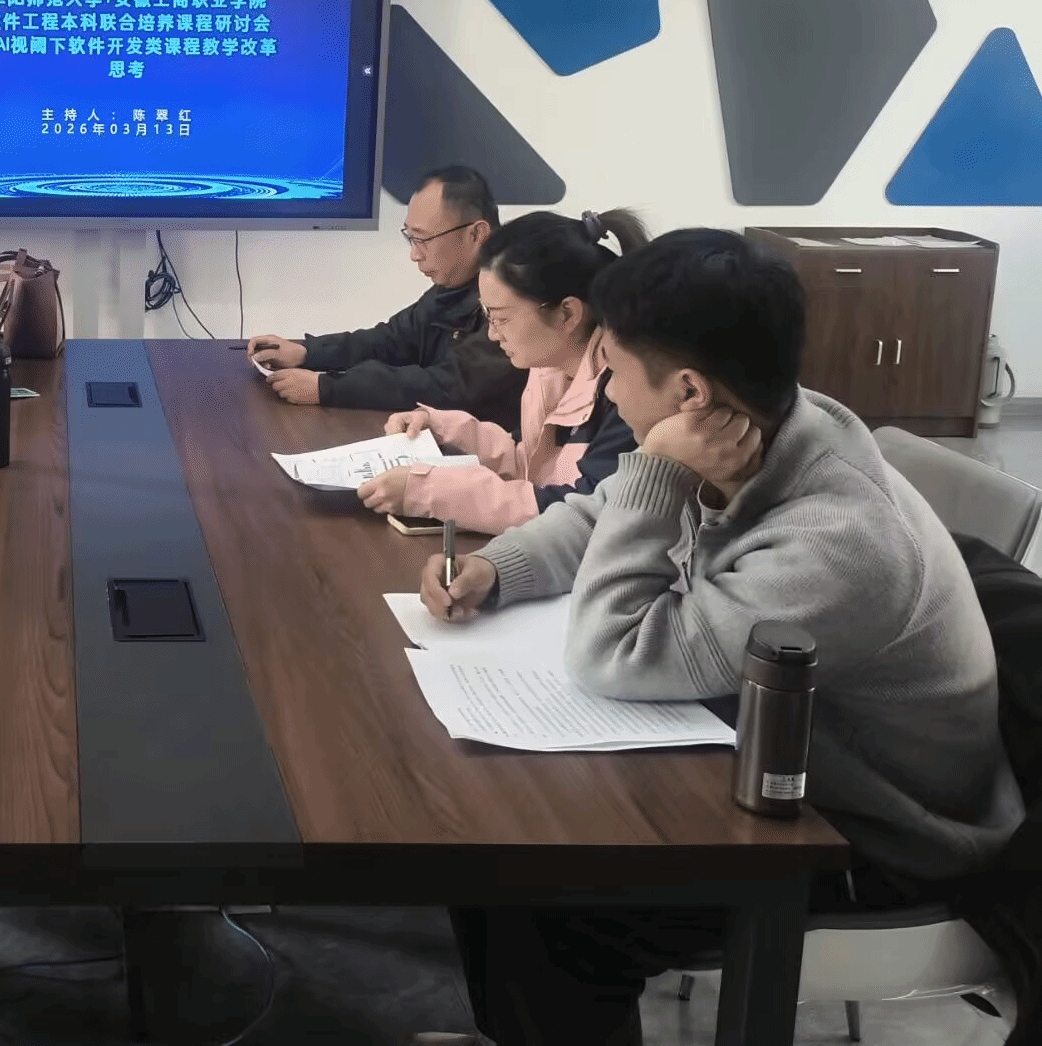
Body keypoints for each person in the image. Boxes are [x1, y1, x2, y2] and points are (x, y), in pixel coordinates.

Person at [419, 229, 1022, 1046]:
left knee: (549, 900)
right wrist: (499, 568)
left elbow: (614, 654)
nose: (607, 389)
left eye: (613, 369)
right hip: (773, 759)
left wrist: (659, 470)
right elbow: (605, 514)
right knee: (500, 850)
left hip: (873, 842)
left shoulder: (836, 543)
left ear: (689, 393)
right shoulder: (773, 421)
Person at [356, 209, 647, 535]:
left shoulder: (630, 395)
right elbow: (530, 466)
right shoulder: (551, 368)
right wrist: (442, 428)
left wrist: (428, 491)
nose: (493, 334)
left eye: (501, 318)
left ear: (567, 313)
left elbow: (579, 512)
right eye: (487, 315)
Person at [247, 164, 525, 431]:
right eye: (411, 238)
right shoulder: (455, 286)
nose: (414, 255)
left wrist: (327, 388)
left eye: (423, 239)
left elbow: (450, 385)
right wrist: (308, 352)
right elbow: (391, 339)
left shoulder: (515, 295)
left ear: (476, 234)